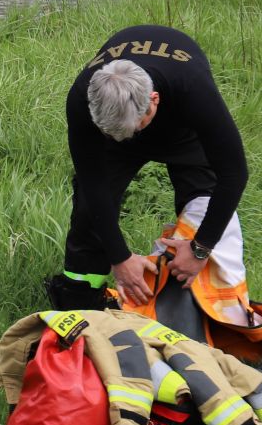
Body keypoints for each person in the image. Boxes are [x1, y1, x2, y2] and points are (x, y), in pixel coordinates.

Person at [49, 25, 252, 328]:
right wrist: (120, 257)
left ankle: (205, 309)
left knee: (204, 203)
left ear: (154, 100)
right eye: (112, 133)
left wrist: (200, 249)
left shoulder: (192, 89)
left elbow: (234, 172)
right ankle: (79, 296)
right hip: (118, 120)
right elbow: (93, 182)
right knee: (89, 212)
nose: (125, 139)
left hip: (181, 129)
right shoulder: (83, 98)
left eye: (133, 131)